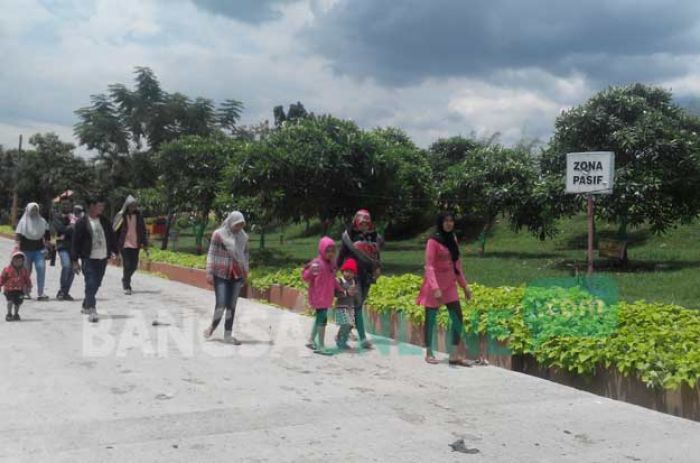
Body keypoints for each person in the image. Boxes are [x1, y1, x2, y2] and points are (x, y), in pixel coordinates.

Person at [417, 212, 474, 366]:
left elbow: (457, 265)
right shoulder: (433, 241)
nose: (449, 223)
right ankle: (429, 352)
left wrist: (465, 286)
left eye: (451, 221)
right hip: (434, 285)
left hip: (449, 284)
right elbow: (429, 266)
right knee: (431, 319)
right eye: (446, 221)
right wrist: (435, 288)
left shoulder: (452, 239)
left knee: (457, 317)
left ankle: (454, 355)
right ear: (440, 223)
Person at [337, 209, 382, 349]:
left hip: (366, 276)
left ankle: (345, 335)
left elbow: (376, 256)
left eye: (366, 223)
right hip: (353, 276)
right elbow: (341, 255)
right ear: (356, 222)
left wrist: (377, 268)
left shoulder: (374, 238)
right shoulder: (349, 237)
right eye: (361, 222)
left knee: (358, 306)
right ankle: (358, 338)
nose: (364, 225)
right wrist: (336, 270)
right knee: (355, 307)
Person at [203, 211, 249, 344]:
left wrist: (246, 271)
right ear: (230, 222)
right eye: (236, 225)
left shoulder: (243, 237)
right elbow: (211, 253)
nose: (239, 227)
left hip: (237, 274)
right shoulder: (218, 234)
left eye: (241, 225)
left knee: (232, 305)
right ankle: (213, 326)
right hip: (221, 273)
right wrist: (209, 272)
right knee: (221, 303)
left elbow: (245, 255)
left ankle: (228, 335)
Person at [71, 196, 118, 323]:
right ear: (91, 206)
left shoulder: (104, 221)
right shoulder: (82, 222)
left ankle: (86, 304)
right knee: (91, 283)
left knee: (96, 284)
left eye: (103, 206)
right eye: (99, 206)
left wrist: (115, 251)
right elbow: (75, 242)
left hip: (102, 258)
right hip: (89, 258)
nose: (102, 208)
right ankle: (92, 309)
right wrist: (74, 261)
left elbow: (111, 237)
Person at [303, 236, 340, 355]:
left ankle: (311, 340)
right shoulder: (317, 263)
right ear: (322, 250)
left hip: (326, 297)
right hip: (318, 297)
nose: (330, 254)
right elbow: (305, 277)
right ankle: (321, 345)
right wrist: (310, 270)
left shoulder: (332, 264)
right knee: (322, 320)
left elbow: (333, 279)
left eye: (332, 251)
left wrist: (340, 289)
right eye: (327, 251)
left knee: (319, 318)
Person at [14, 202, 51, 301]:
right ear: (28, 210)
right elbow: (18, 235)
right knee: (26, 271)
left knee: (41, 269)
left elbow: (47, 235)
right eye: (32, 210)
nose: (34, 212)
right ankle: (25, 292)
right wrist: (17, 247)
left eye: (36, 210)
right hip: (25, 251)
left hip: (39, 250)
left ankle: (40, 293)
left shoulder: (42, 221)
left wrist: (47, 247)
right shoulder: (23, 222)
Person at [113, 195, 149, 295]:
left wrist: (145, 243)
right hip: (124, 244)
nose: (133, 208)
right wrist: (114, 245)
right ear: (127, 206)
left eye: (135, 206)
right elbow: (115, 230)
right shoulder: (121, 216)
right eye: (131, 206)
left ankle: (125, 278)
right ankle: (127, 285)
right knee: (127, 264)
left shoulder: (139, 216)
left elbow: (142, 230)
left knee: (134, 266)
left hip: (135, 243)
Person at [51, 195, 78, 300]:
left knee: (72, 270)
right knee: (66, 266)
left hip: (74, 246)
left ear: (71, 205)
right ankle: (62, 290)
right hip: (62, 246)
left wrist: (70, 228)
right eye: (63, 204)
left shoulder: (75, 217)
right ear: (60, 205)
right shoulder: (57, 216)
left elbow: (77, 230)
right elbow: (61, 229)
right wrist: (70, 227)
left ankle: (65, 292)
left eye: (67, 204)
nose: (65, 206)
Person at [334, 258, 361, 350]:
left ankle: (340, 338)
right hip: (341, 307)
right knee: (345, 324)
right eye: (346, 271)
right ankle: (341, 342)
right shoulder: (339, 281)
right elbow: (335, 293)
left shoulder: (353, 282)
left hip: (350, 307)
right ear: (343, 271)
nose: (348, 274)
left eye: (351, 272)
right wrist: (346, 293)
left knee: (350, 325)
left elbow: (355, 294)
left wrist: (356, 297)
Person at [1, 251, 32, 321]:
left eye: (20, 261)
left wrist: (29, 287)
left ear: (23, 261)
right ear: (12, 260)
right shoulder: (7, 270)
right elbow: (2, 278)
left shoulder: (24, 270)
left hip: (20, 290)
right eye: (16, 261)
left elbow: (27, 279)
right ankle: (9, 313)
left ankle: (16, 314)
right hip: (9, 289)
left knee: (18, 303)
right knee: (10, 301)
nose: (18, 263)